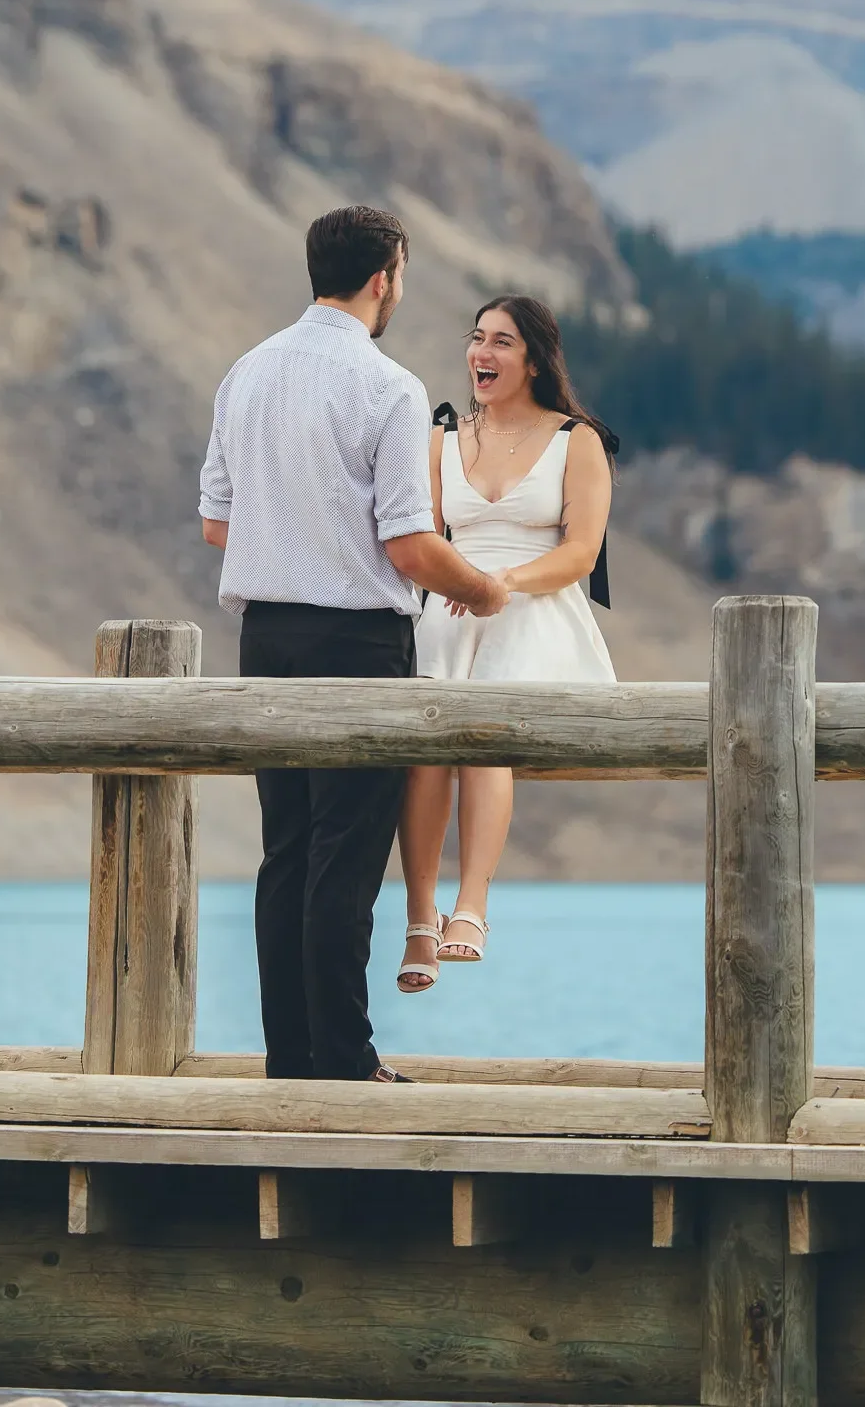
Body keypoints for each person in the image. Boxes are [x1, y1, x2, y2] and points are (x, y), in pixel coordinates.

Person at [199, 206, 509, 1081]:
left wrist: (295, 534)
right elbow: (409, 546)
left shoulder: (246, 373)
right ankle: (344, 1055)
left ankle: (290, 1056)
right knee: (344, 857)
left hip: (265, 640)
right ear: (384, 278)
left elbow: (217, 526)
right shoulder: (388, 387)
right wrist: (483, 589)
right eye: (401, 275)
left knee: (285, 852)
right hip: (359, 641)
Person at [396, 295, 615, 989]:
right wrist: (461, 583)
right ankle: (419, 918)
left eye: (501, 343)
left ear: (533, 360)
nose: (481, 355)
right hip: (451, 607)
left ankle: (473, 906)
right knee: (425, 742)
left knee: (481, 724)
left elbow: (581, 552)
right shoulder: (442, 435)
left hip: (534, 605)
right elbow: (425, 535)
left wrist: (503, 582)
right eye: (476, 339)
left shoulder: (575, 439)